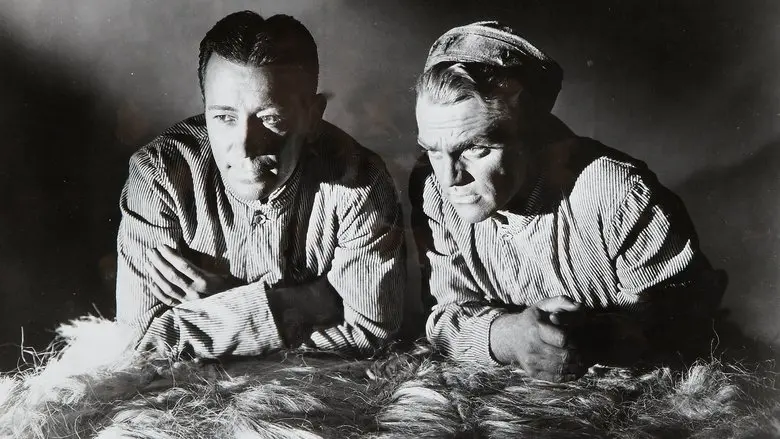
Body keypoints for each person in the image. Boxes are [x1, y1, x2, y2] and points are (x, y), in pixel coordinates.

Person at [410, 21, 725, 382]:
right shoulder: (433, 190)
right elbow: (445, 316)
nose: (450, 178)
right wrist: (509, 337)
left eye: (476, 149)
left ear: (530, 135)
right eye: (433, 151)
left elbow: (687, 324)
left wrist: (592, 337)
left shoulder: (615, 192)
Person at [115, 11, 405, 360]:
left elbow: (371, 335)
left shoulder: (361, 179)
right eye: (224, 117)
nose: (244, 146)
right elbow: (140, 344)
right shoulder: (159, 174)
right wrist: (315, 300)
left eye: (270, 118)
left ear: (312, 118)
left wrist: (227, 309)